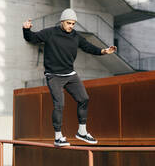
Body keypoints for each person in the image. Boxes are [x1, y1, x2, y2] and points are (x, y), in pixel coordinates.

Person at [23, 8, 117, 147]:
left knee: (84, 98)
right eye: (68, 23)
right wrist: (26, 30)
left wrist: (104, 51)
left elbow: (88, 47)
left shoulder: (76, 36)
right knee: (59, 104)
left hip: (70, 74)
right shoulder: (50, 33)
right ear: (62, 21)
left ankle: (82, 132)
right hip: (53, 75)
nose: (71, 26)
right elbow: (32, 38)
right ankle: (58, 137)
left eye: (73, 24)